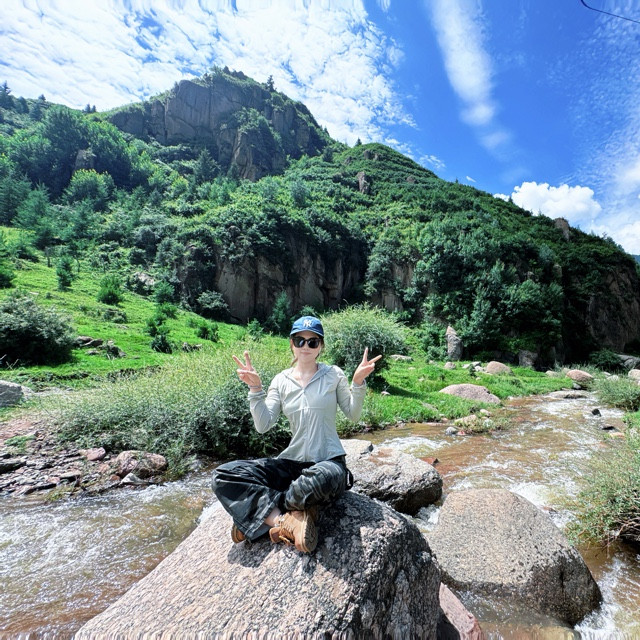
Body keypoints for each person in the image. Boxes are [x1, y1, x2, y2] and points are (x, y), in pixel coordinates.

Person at [211, 315, 381, 553]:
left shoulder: (334, 374)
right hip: (292, 465)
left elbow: (353, 414)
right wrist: (255, 389)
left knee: (322, 478)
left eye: (313, 341)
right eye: (300, 340)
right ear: (291, 343)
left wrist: (358, 383)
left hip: (328, 462)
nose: (305, 346)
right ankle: (285, 521)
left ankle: (259, 515)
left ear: (320, 346)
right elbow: (263, 424)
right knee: (223, 475)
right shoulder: (281, 380)